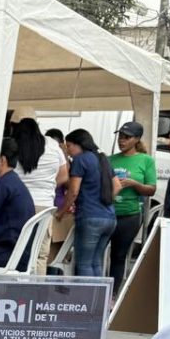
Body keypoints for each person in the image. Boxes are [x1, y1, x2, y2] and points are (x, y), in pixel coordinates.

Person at [63, 129, 121, 278]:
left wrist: (61, 211)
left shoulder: (80, 160)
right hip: (109, 217)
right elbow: (117, 186)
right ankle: (98, 299)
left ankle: (86, 300)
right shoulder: (103, 159)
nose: (68, 151)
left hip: (89, 217)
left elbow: (73, 191)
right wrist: (103, 199)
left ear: (78, 145)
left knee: (84, 263)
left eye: (69, 146)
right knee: (96, 262)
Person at [108, 121, 157, 294]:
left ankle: (113, 294)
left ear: (136, 139)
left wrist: (134, 184)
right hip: (108, 213)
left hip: (129, 214)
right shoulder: (110, 159)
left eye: (126, 137)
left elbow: (151, 189)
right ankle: (98, 292)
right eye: (120, 136)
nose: (121, 141)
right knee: (97, 254)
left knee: (118, 256)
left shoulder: (146, 160)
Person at [15, 118, 66, 272]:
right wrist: (48, 185)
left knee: (16, 250)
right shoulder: (52, 144)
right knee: (40, 254)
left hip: (17, 204)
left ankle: (13, 288)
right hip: (44, 206)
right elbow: (64, 176)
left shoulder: (12, 145)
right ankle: (37, 292)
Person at [0, 137, 34, 270]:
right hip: (21, 253)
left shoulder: (3, 185)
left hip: (6, 254)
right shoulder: (15, 182)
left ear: (2, 160)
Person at [45, 128, 73, 267]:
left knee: (55, 253)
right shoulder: (44, 156)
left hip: (59, 209)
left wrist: (64, 156)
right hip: (47, 206)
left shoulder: (66, 160)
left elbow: (68, 184)